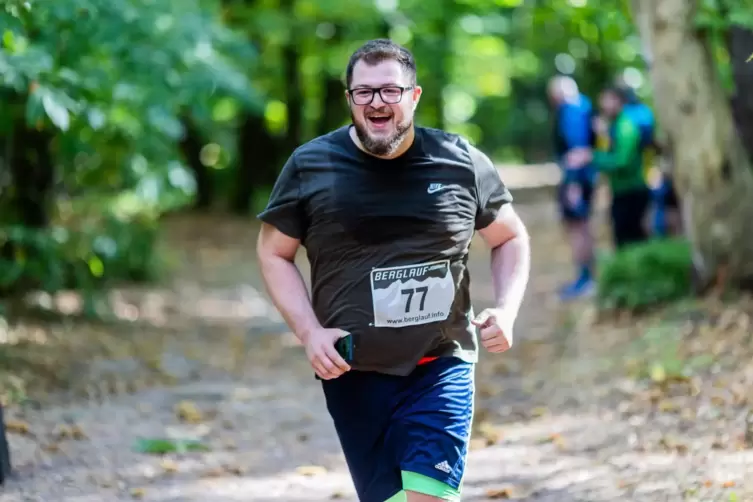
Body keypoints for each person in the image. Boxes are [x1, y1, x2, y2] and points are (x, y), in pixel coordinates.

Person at [256, 39, 530, 502]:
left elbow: (510, 237)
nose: (377, 102)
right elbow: (273, 253)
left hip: (441, 361)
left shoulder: (459, 160)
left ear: (414, 95)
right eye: (364, 92)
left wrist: (506, 310)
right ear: (350, 100)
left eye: (389, 90)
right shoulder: (311, 165)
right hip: (352, 370)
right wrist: (309, 332)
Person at [569, 87, 651, 249]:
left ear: (618, 101)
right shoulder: (615, 125)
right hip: (621, 191)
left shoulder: (625, 126)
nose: (603, 105)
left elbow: (621, 161)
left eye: (607, 100)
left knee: (631, 240)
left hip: (631, 190)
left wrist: (591, 157)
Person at [547, 75, 597, 300]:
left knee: (578, 227)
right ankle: (586, 277)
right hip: (586, 176)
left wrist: (573, 184)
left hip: (577, 178)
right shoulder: (585, 106)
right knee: (582, 226)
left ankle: (585, 279)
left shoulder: (571, 111)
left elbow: (577, 153)